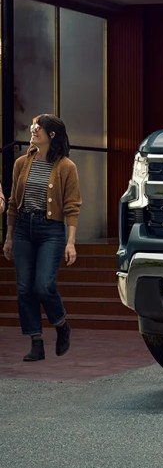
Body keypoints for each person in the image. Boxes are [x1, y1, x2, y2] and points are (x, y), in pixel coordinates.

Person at [2, 114, 81, 361]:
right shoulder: (21, 163)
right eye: (33, 126)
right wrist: (9, 237)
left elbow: (72, 207)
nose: (33, 130)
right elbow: (13, 203)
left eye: (39, 127)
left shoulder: (67, 167)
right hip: (23, 229)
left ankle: (61, 324)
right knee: (24, 288)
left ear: (52, 134)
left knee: (44, 286)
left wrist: (71, 242)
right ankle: (36, 342)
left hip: (51, 231)